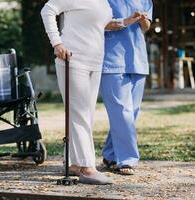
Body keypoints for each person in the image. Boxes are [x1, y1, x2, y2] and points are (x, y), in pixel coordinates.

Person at [41, 0, 113, 184]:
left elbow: (97, 23)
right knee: (79, 114)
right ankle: (88, 168)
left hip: (95, 62)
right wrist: (57, 43)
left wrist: (125, 21)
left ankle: (73, 163)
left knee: (86, 115)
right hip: (73, 59)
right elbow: (48, 10)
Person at [100, 0, 153, 175]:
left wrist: (142, 19)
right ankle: (127, 160)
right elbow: (99, 24)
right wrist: (127, 20)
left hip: (137, 59)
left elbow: (146, 27)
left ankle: (110, 154)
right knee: (122, 111)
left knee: (131, 113)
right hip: (112, 59)